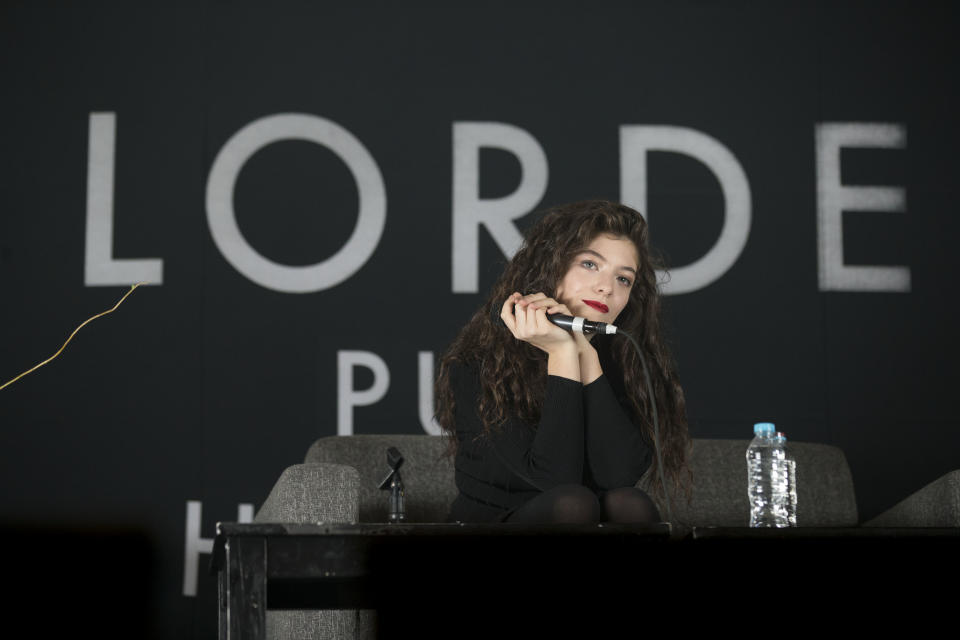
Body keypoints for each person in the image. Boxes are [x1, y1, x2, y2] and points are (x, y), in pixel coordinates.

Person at [435, 200, 691, 524]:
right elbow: (556, 481)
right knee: (573, 503)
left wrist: (583, 352)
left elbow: (620, 476)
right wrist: (561, 354)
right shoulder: (481, 362)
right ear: (552, 266)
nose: (606, 287)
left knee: (630, 503)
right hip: (492, 529)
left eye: (623, 279)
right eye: (589, 264)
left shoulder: (622, 362)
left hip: (578, 524)